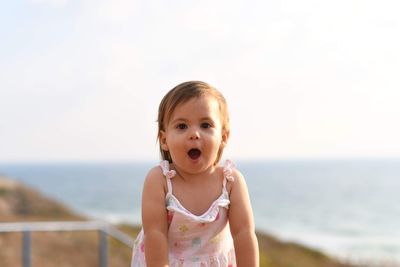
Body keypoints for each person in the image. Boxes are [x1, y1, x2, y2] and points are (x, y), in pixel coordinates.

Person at [131, 81, 259, 267]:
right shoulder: (160, 180)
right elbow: (155, 233)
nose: (194, 134)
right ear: (165, 140)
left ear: (223, 137)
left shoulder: (231, 181)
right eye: (182, 126)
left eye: (205, 125)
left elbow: (244, 233)